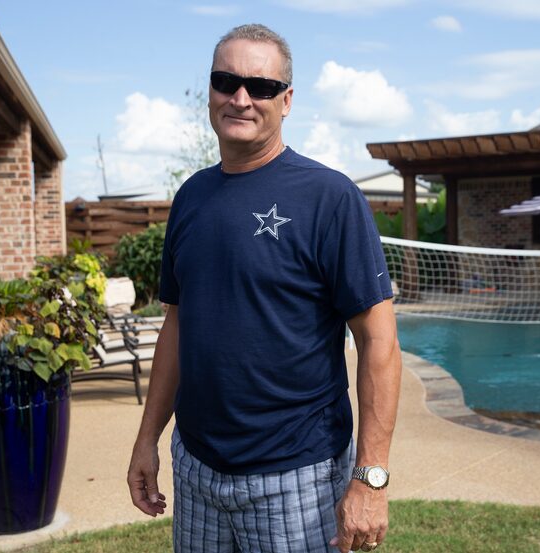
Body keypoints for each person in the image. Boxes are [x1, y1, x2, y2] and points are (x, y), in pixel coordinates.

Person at [127, 23, 401, 553]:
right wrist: (148, 439)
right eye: (225, 81)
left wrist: (371, 478)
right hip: (198, 470)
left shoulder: (330, 198)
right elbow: (178, 326)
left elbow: (380, 343)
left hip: (297, 476)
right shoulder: (191, 199)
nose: (241, 98)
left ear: (287, 100)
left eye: (262, 87)